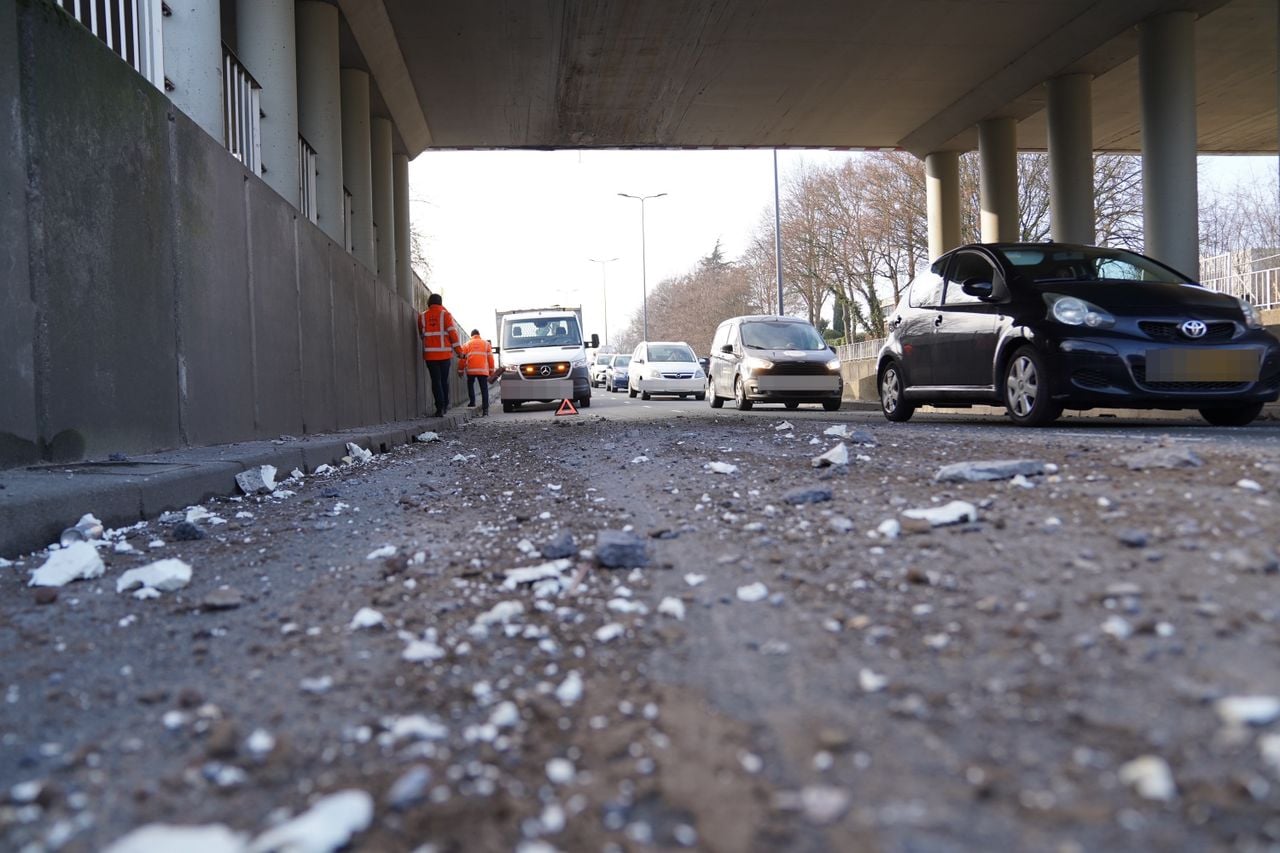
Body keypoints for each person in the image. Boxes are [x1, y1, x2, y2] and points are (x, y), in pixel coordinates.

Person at [417, 293, 462, 417]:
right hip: (444, 355)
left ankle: (439, 408)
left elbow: (421, 334)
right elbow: (453, 335)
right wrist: (459, 352)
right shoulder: (446, 315)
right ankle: (445, 405)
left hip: (430, 355)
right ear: (441, 303)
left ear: (429, 303)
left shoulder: (422, 316)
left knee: (435, 381)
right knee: (444, 380)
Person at [459, 329, 496, 415]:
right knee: (484, 389)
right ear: (479, 335)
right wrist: (491, 371)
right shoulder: (486, 344)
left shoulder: (467, 344)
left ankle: (472, 402)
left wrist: (460, 370)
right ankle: (485, 410)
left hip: (471, 370)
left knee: (470, 384)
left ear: (471, 336)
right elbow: (491, 359)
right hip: (482, 371)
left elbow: (462, 359)